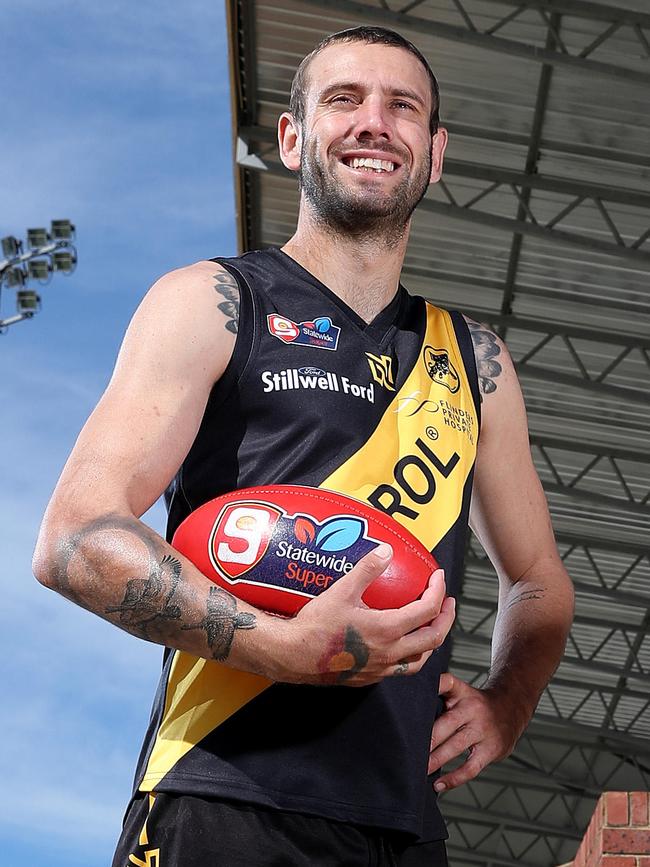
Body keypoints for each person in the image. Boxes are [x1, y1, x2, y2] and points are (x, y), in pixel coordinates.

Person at [33, 25, 574, 867]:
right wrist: (277, 646)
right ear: (292, 139)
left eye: (403, 107)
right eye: (344, 99)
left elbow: (539, 581)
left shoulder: (478, 362)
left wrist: (506, 701)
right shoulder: (211, 301)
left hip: (402, 825)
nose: (374, 122)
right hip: (222, 794)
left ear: (435, 155)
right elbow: (73, 537)